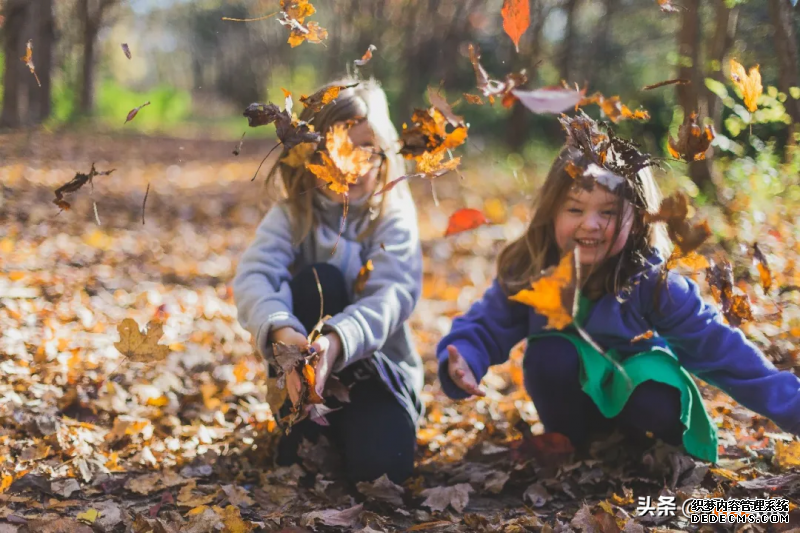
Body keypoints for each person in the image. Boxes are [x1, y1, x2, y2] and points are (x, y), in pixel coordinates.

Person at [437, 114, 800, 463]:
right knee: (550, 355)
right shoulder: (533, 269)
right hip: (572, 407)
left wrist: (793, 408)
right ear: (552, 212)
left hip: (641, 402)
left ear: (639, 220)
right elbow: (487, 324)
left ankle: (641, 450)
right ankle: (576, 444)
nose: (590, 224)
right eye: (575, 209)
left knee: (654, 390)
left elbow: (722, 351)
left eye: (608, 212)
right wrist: (466, 357)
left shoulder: (654, 283)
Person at [234, 77, 423, 483]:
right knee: (319, 279)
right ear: (308, 155)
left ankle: (364, 432)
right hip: (301, 379)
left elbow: (393, 294)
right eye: (334, 149)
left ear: (383, 153)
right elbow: (254, 276)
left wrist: (336, 343)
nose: (349, 165)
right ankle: (302, 426)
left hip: (376, 377)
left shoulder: (392, 215)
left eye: (364, 149)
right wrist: (282, 330)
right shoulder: (292, 216)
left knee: (383, 472)